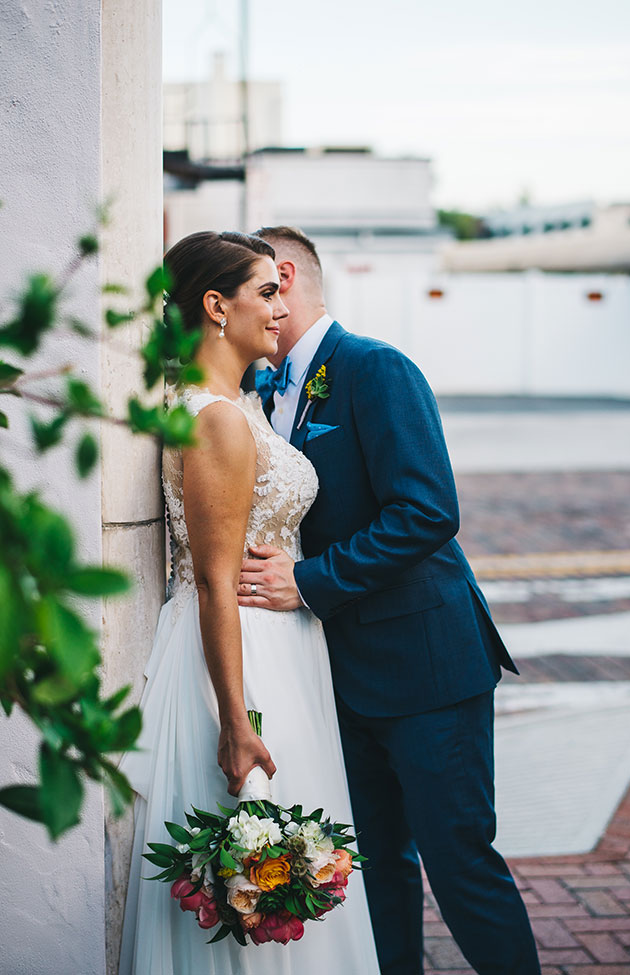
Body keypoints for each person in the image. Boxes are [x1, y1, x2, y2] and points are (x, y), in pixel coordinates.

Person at [237, 225, 541, 975]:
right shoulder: (263, 389)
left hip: (426, 668)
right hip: (337, 676)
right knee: (373, 865)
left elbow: (427, 510)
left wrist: (308, 581)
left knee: (458, 860)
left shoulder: (374, 367)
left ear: (281, 278)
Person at [118, 231, 380, 975]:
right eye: (265, 291)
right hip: (244, 660)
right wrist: (236, 721)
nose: (280, 306)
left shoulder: (236, 405)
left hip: (279, 644)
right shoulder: (217, 420)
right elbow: (210, 580)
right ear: (214, 305)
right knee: (258, 858)